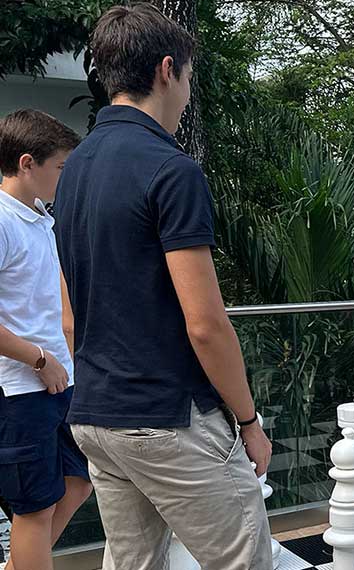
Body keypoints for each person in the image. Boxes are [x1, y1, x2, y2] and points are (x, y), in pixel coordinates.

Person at [53, 4, 273, 568]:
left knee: (132, 562)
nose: (186, 96)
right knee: (242, 558)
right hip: (166, 417)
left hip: (97, 415)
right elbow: (204, 324)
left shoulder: (74, 168)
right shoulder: (171, 169)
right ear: (167, 70)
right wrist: (248, 422)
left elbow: (71, 315)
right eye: (189, 80)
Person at [0, 109, 92, 570]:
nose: (64, 177)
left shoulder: (38, 218)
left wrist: (66, 360)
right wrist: (39, 360)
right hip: (19, 392)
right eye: (59, 167)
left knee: (78, 482)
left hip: (60, 381)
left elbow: (58, 305)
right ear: (26, 163)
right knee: (33, 510)